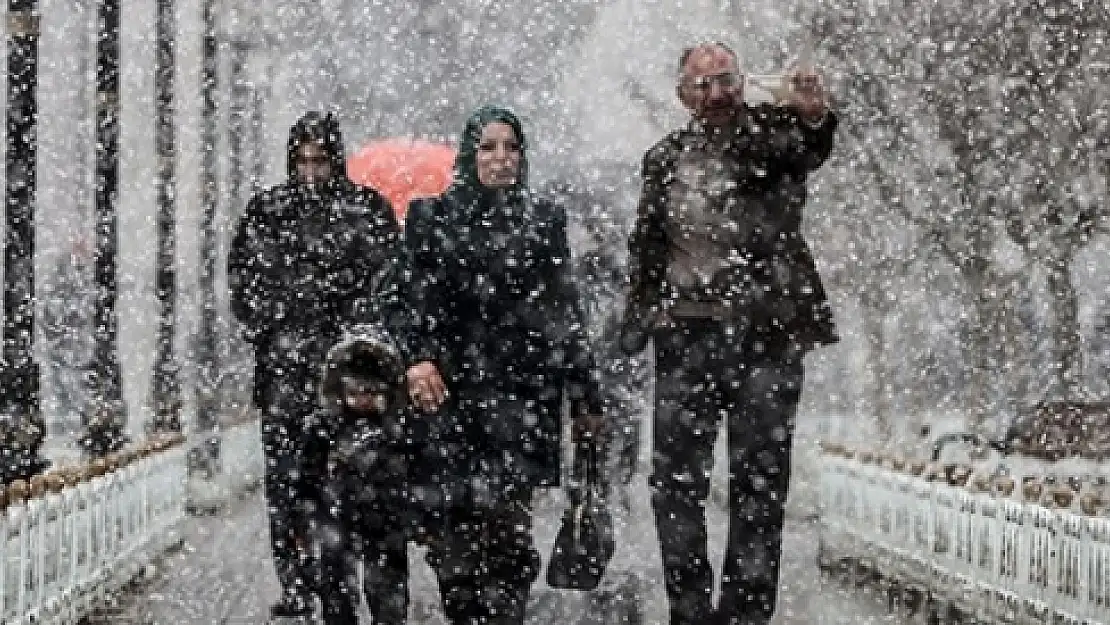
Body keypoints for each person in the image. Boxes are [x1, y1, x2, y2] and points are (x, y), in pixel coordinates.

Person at [619, 42, 839, 625]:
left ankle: (744, 616)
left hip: (765, 339)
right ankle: (689, 612)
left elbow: (808, 146)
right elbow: (646, 245)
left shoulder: (770, 138)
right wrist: (639, 321)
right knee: (674, 488)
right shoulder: (663, 158)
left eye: (726, 81)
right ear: (682, 95)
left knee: (760, 489)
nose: (716, 94)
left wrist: (812, 112)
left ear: (743, 84)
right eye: (703, 85)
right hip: (686, 339)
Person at [390, 105, 603, 625]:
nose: (501, 158)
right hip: (449, 396)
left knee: (510, 535)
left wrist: (585, 395)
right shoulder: (430, 217)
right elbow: (406, 299)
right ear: (470, 154)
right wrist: (416, 359)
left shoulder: (544, 220)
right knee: (452, 537)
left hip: (521, 396)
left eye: (511, 147)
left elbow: (563, 310)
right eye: (489, 147)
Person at [228, 111, 400, 621]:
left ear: (335, 159)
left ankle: (349, 586)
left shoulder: (366, 212)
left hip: (350, 380)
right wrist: (275, 328)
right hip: (286, 375)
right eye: (303, 160)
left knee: (355, 484)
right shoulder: (268, 213)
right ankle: (299, 582)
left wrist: (349, 331)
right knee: (287, 487)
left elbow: (386, 285)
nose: (311, 171)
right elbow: (244, 288)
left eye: (320, 160)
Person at [309, 328, 414, 625]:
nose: (362, 400)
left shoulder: (397, 431)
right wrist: (303, 512)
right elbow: (308, 473)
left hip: (386, 519)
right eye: (354, 392)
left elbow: (415, 471)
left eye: (370, 392)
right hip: (336, 516)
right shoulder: (325, 427)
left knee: (387, 589)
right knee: (336, 587)